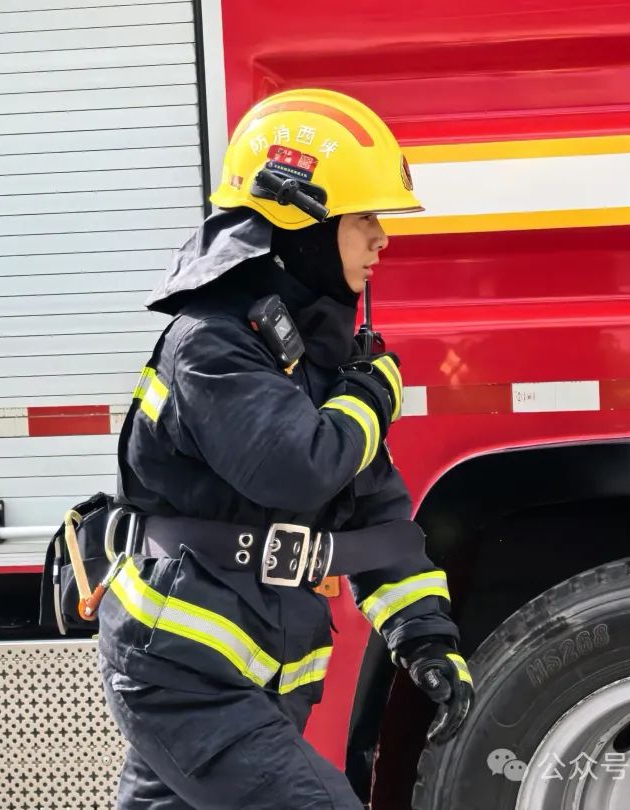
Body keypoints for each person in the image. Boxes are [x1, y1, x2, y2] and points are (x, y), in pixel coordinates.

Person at [94, 89, 474, 809]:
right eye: (363, 219)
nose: (381, 240)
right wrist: (371, 399)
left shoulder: (311, 356)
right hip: (186, 677)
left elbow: (373, 514)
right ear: (301, 224)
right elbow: (298, 468)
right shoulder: (212, 344)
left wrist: (425, 637)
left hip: (248, 678)